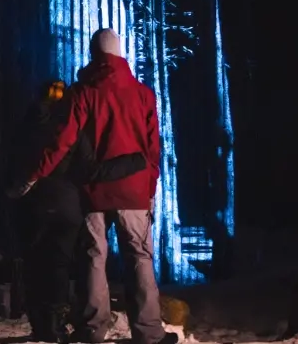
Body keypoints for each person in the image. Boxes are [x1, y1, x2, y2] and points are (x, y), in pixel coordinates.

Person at [10, 29, 176, 344]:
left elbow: (63, 141)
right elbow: (153, 148)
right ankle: (149, 333)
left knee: (93, 257)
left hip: (95, 189)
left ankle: (93, 330)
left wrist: (35, 174)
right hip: (134, 190)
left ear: (93, 54)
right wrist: (150, 190)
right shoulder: (143, 94)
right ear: (119, 52)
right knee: (140, 257)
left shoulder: (83, 92)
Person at [10, 80, 147, 343]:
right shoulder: (70, 127)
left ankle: (41, 325)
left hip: (31, 204)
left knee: (35, 263)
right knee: (59, 265)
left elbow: (11, 164)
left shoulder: (25, 127)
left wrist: (12, 189)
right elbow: (91, 170)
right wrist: (133, 162)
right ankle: (55, 327)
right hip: (66, 205)